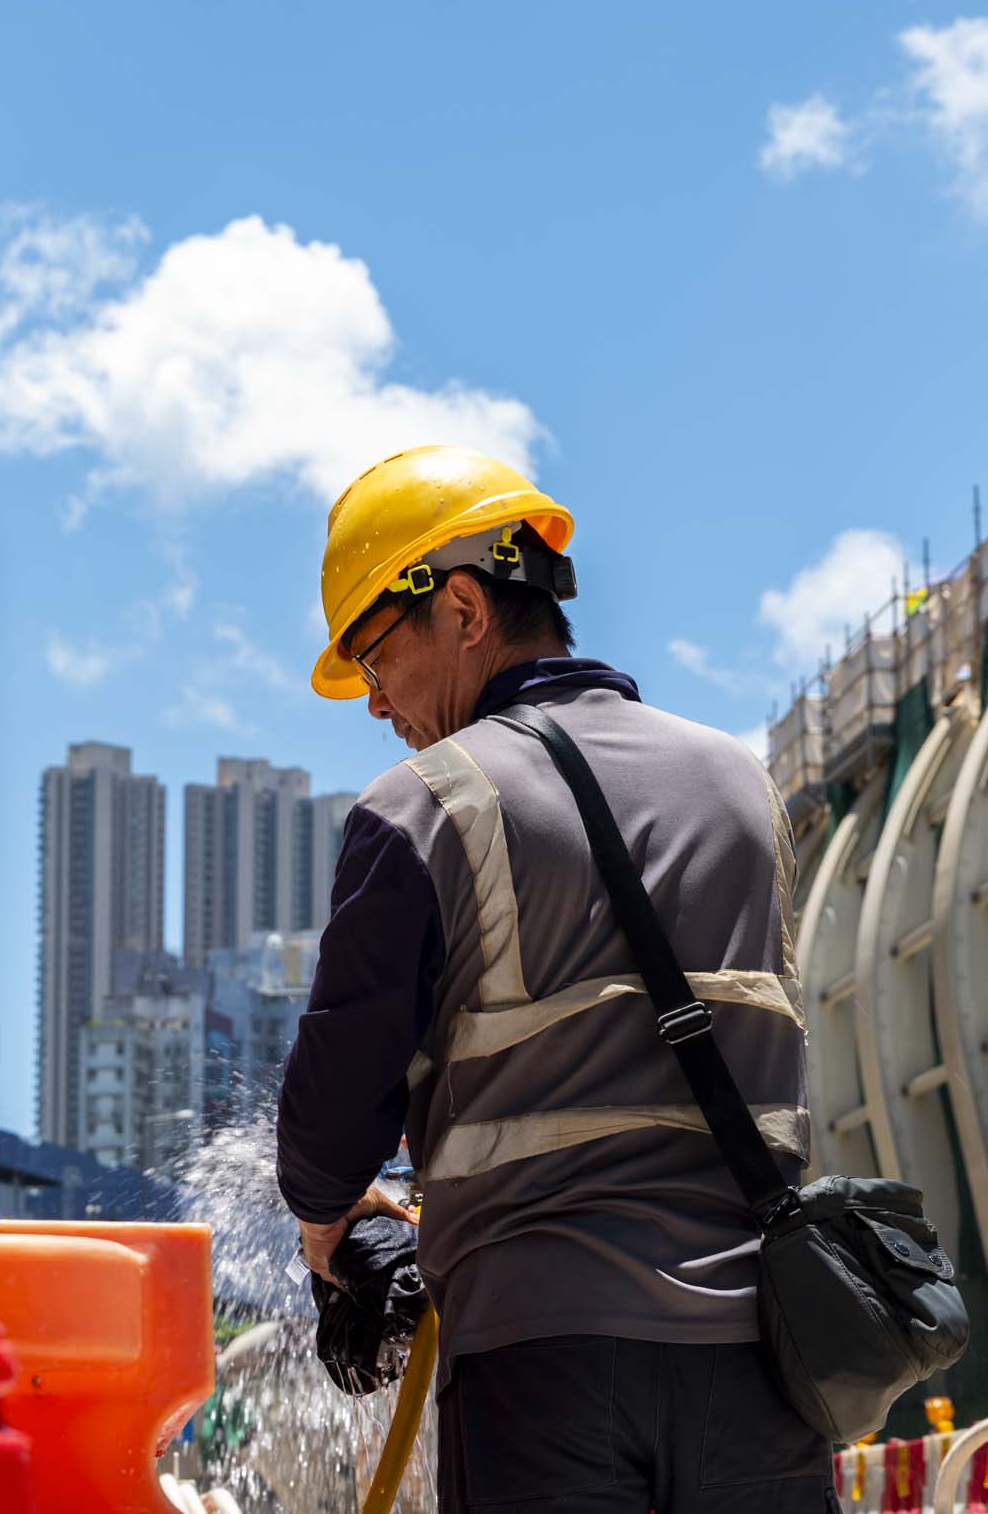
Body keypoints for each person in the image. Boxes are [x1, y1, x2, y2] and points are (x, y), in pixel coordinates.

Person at [276, 445, 835, 1512]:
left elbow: (333, 1112)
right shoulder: (739, 782)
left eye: (376, 656)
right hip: (766, 1362)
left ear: (465, 610)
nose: (376, 701)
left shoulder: (425, 804)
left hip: (546, 1369)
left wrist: (331, 1217)